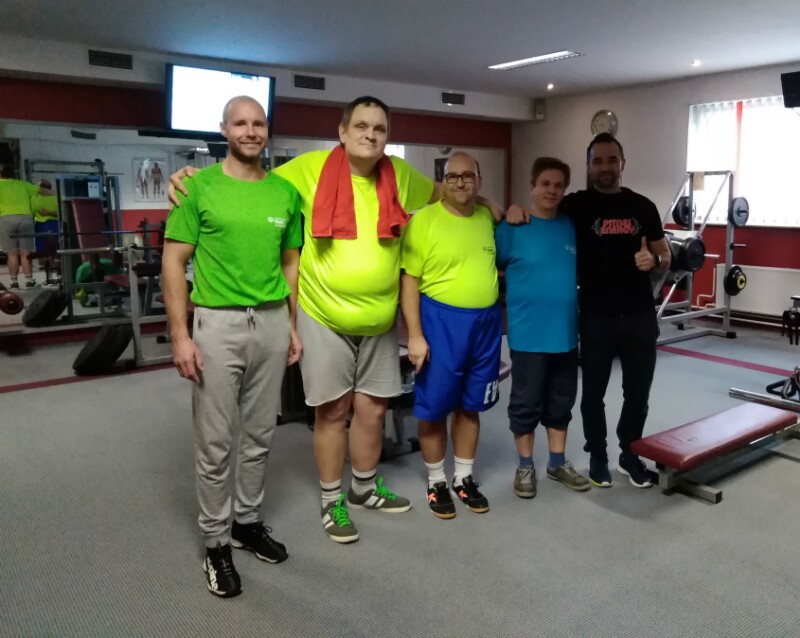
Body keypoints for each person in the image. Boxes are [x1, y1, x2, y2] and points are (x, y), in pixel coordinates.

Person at [170, 96, 502, 544]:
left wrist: (492, 202)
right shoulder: (308, 170)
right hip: (323, 312)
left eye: (379, 129)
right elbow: (251, 179)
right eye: (361, 126)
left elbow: (448, 193)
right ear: (343, 132)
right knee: (333, 411)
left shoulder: (400, 176)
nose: (370, 135)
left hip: (379, 319)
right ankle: (332, 501)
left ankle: (364, 488)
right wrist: (190, 175)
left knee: (373, 408)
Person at [162, 95, 303, 598]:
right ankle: (216, 542)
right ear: (224, 130)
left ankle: (246, 523)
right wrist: (180, 336)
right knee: (216, 440)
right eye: (240, 123)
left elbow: (290, 265)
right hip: (217, 325)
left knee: (262, 434)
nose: (250, 131)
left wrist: (290, 326)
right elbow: (173, 262)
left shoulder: (285, 194)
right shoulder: (197, 188)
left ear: (268, 130)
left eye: (258, 123)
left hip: (269, 322)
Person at [399, 152, 502, 519]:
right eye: (452, 176)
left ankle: (463, 477)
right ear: (442, 181)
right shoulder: (423, 221)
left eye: (468, 176)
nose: (460, 182)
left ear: (479, 180)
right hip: (440, 323)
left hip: (486, 324)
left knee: (471, 404)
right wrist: (415, 335)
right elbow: (409, 280)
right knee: (435, 406)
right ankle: (435, 481)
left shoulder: (488, 217)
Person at [495, 157, 590, 500]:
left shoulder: (570, 226)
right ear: (532, 186)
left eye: (558, 185)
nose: (551, 190)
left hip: (565, 334)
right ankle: (525, 465)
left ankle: (557, 462)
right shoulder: (513, 227)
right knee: (525, 402)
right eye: (545, 184)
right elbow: (487, 265)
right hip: (528, 333)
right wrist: (508, 210)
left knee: (561, 401)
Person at [0, 166, 39, 289]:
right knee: (25, 253)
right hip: (25, 218)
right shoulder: (23, 185)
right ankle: (29, 281)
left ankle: (14, 282)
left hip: (6, 218)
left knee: (11, 254)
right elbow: (41, 191)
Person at [31, 179, 60, 285]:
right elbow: (61, 212)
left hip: (42, 225)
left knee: (45, 252)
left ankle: (50, 276)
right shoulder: (57, 198)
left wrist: (47, 212)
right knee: (53, 251)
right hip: (52, 224)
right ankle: (53, 275)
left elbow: (32, 212)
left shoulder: (34, 199)